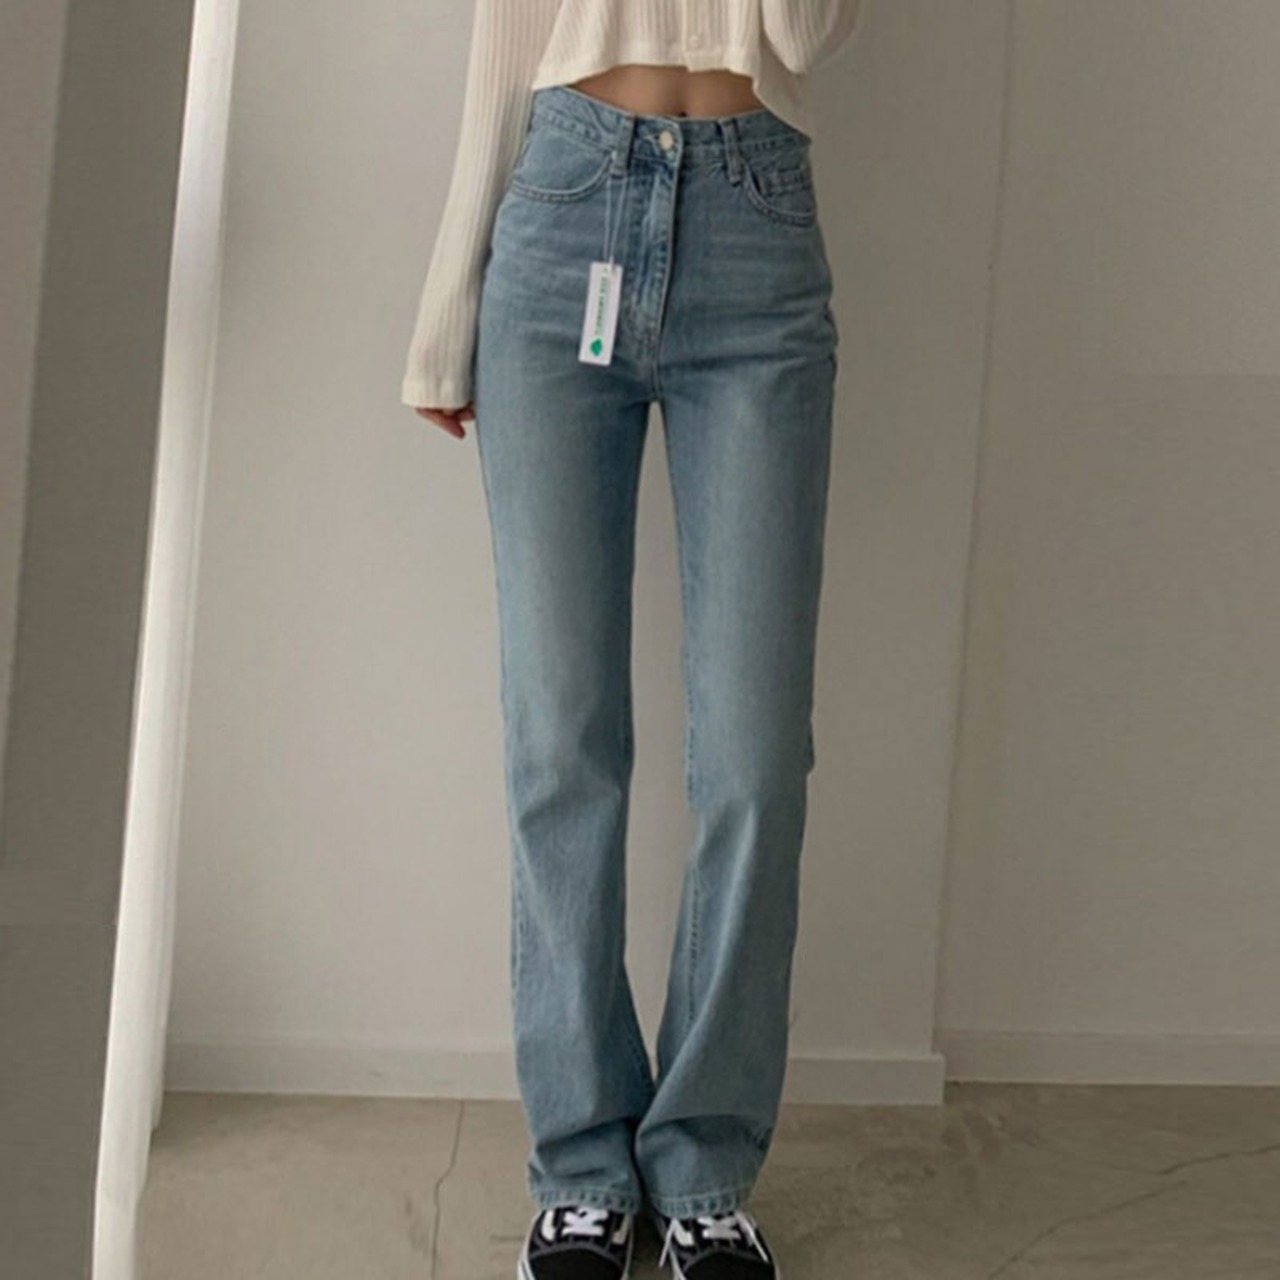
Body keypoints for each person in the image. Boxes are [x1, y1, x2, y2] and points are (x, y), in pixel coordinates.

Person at [401, 4, 866, 1277]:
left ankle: (703, 1167)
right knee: (561, 741)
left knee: (755, 760)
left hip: (756, 229)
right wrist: (447, 307)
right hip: (561, 211)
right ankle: (581, 1168)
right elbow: (506, 42)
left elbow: (801, 35)